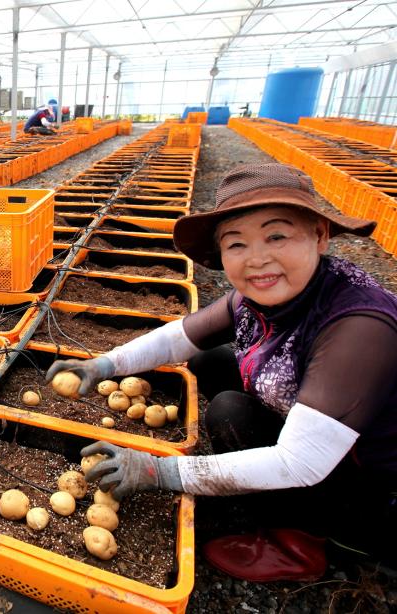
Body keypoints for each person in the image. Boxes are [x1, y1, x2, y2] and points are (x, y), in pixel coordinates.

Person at [46, 163, 397, 580]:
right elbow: (178, 338)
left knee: (229, 412)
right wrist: (106, 364)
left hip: (371, 490)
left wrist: (162, 471)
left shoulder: (359, 326)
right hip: (322, 429)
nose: (257, 259)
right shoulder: (258, 297)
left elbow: (304, 461)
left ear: (320, 235)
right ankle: (252, 472)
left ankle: (300, 543)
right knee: (208, 360)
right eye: (237, 244)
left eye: (277, 236)